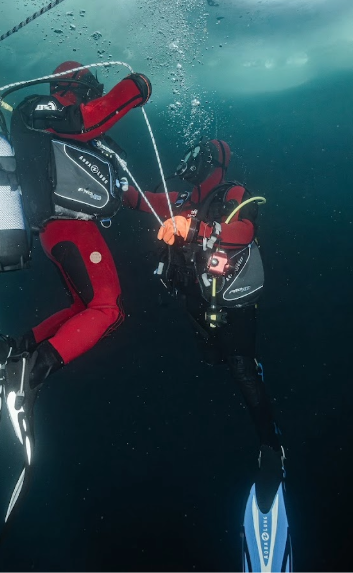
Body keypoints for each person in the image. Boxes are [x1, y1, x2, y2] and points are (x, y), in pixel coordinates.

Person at [0, 61, 151, 524]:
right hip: (69, 229)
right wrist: (136, 88)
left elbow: (135, 195)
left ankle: (15, 352)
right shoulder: (38, 109)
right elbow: (87, 118)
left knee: (84, 308)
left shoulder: (83, 138)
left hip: (63, 232)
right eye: (90, 89)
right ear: (76, 86)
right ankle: (27, 377)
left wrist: (183, 214)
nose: (93, 97)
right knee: (108, 310)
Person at [124, 138, 293, 570]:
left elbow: (246, 230)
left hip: (233, 304)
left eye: (195, 158)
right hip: (200, 303)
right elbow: (139, 199)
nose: (187, 164)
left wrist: (194, 228)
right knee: (212, 359)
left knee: (240, 368)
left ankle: (271, 447)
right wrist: (108, 187)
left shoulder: (233, 193)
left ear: (210, 162)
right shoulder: (181, 198)